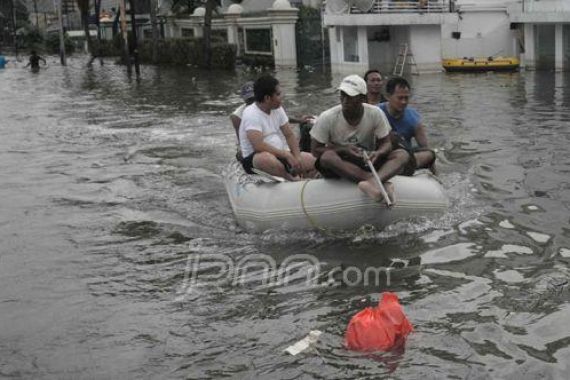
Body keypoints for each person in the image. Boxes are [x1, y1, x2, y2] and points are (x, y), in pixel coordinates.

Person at [310, 74, 410, 204]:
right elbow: (315, 150)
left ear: (362, 98)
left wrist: (378, 152)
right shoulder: (328, 117)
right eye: (343, 95)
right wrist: (343, 149)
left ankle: (373, 183)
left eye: (350, 97)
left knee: (402, 154)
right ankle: (377, 182)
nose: (345, 100)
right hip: (341, 161)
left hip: (366, 158)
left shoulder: (375, 113)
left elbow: (386, 143)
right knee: (327, 156)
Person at [239, 75, 315, 181]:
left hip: (281, 154)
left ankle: (308, 179)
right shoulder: (251, 114)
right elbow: (259, 146)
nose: (282, 96)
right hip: (256, 159)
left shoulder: (277, 108)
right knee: (265, 158)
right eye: (278, 94)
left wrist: (297, 157)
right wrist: (286, 155)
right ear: (267, 98)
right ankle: (292, 180)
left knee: (313, 160)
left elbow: (289, 135)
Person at [379, 77, 436, 174]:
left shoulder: (414, 119)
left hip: (406, 156)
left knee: (430, 154)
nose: (404, 102)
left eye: (406, 98)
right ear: (388, 96)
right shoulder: (376, 112)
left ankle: (402, 167)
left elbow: (425, 147)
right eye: (400, 98)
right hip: (382, 154)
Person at [230, 81, 256, 160]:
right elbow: (242, 141)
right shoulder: (237, 116)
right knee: (241, 154)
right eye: (249, 100)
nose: (252, 103)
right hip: (248, 140)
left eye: (255, 99)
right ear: (244, 100)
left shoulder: (267, 105)